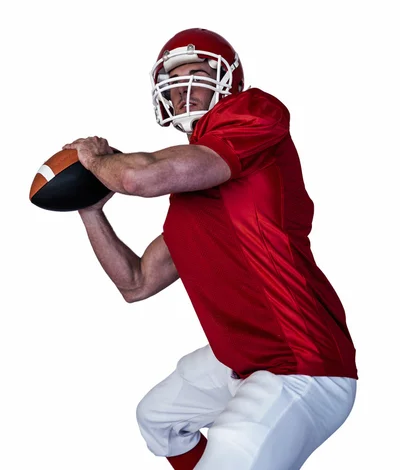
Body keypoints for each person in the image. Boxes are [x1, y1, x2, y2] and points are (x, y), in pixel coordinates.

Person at [62, 27, 358, 470]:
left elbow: (139, 177)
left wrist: (94, 159)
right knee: (157, 419)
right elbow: (136, 283)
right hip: (242, 360)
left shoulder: (255, 114)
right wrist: (89, 209)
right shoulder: (192, 198)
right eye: (174, 81)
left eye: (197, 74)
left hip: (302, 366)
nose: (184, 90)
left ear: (227, 80)